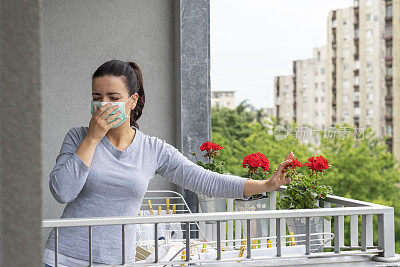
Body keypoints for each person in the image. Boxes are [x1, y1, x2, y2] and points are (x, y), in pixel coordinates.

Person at [43, 59, 294, 266]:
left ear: (132, 101)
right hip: (62, 257)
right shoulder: (78, 137)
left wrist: (265, 184)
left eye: (113, 97)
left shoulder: (152, 149)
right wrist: (92, 138)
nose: (104, 105)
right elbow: (62, 192)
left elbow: (204, 180)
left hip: (117, 261)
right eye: (97, 96)